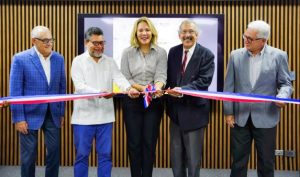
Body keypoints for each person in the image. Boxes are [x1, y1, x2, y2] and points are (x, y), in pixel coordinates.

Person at [223, 20, 293, 177]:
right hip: (240, 118)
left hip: (266, 117)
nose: (245, 40)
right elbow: (229, 87)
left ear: (263, 40)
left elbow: (286, 84)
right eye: (245, 36)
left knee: (266, 162)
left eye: (250, 38)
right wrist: (228, 112)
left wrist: (282, 96)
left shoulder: (279, 56)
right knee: (238, 162)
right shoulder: (235, 56)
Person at [71, 27, 138, 177]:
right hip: (83, 118)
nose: (99, 46)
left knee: (105, 156)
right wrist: (100, 93)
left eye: (102, 43)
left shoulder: (110, 61)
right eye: (95, 43)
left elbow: (120, 79)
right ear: (86, 42)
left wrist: (129, 89)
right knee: (81, 156)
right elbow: (80, 87)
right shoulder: (78, 61)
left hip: (106, 117)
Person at [9, 26, 66, 177]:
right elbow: (15, 91)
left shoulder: (59, 59)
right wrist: (18, 118)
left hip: (53, 114)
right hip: (28, 115)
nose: (49, 43)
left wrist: (61, 113)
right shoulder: (20, 59)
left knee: (54, 154)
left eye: (51, 40)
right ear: (34, 41)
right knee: (28, 157)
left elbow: (62, 87)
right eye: (45, 40)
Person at [166, 20, 215, 177]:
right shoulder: (173, 52)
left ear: (197, 35)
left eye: (191, 32)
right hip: (175, 114)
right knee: (176, 157)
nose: (187, 35)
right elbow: (168, 79)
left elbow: (204, 81)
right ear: (179, 35)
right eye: (184, 32)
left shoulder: (207, 54)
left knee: (193, 160)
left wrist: (181, 91)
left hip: (195, 113)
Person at [120, 16, 167, 177]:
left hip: (154, 102)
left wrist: (156, 88)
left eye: (147, 30)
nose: (144, 33)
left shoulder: (161, 52)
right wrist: (144, 88)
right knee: (134, 143)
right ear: (136, 33)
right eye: (140, 30)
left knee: (149, 142)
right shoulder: (127, 52)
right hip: (132, 100)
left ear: (152, 32)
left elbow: (161, 76)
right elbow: (125, 77)